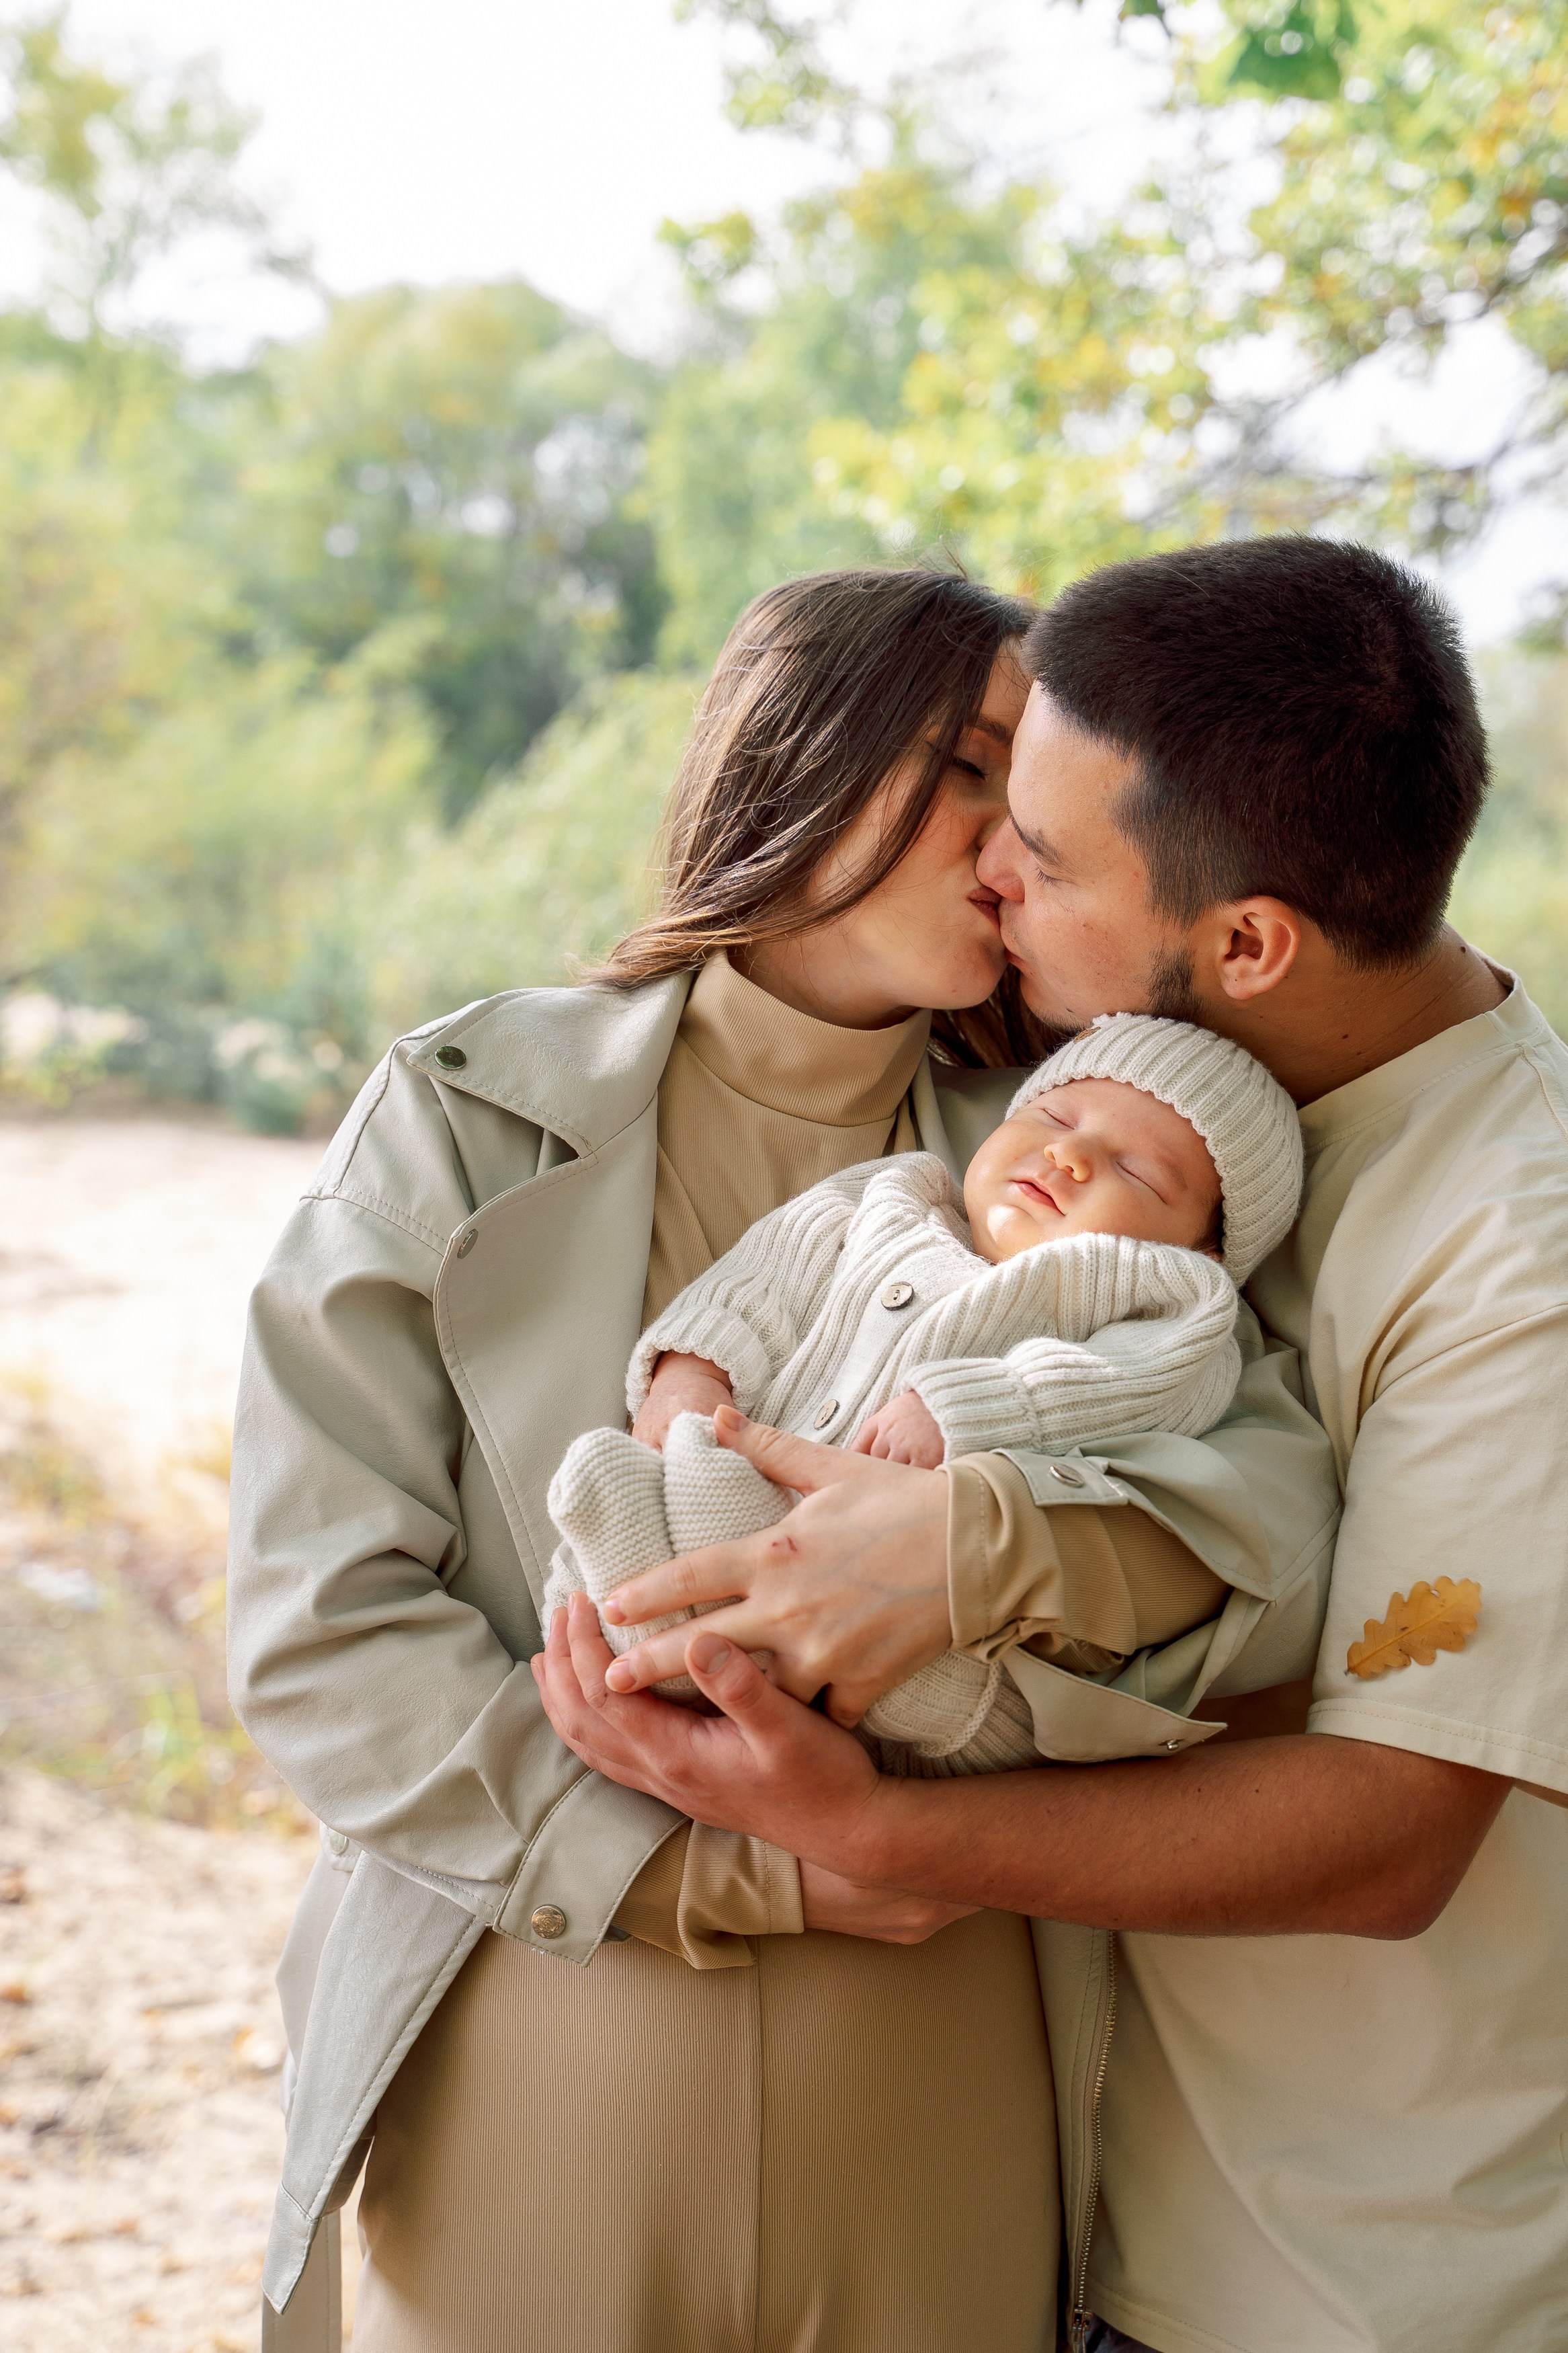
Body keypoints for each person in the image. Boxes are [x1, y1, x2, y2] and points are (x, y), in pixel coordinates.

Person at [228, 564, 1339, 2353]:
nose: (1015, 842)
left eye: (1053, 803)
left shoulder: (1088, 1157)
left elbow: (1265, 1524)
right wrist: (742, 1865)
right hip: (527, 2086)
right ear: (802, 746)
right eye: (977, 765)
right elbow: (317, 1624)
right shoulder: (462, 1109)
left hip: (943, 2131)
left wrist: (982, 1539)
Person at [536, 536, 1568, 2353]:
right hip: (1069, 2210)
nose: (989, 872)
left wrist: (870, 1819)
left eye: (1045, 851)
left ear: (1246, 941)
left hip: (1342, 2278)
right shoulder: (1114, 1105)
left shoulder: (1513, 1250)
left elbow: (1392, 1828)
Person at [546, 1013, 1303, 1774]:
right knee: (620, 1477)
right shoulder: (892, 1196)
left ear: (1199, 1250)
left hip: (910, 1625)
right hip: (750, 1485)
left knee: (724, 1509)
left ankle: (674, 1653)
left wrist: (962, 1404)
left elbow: (1128, 1386)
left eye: (1135, 1170)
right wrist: (690, 1369)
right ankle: (634, 1634)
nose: (1068, 1155)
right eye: (1055, 1116)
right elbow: (759, 1281)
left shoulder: (1168, 1306)